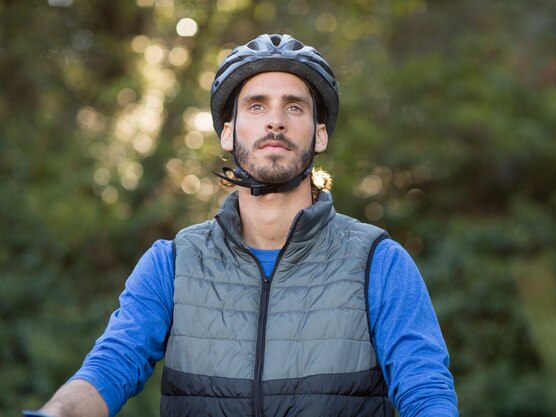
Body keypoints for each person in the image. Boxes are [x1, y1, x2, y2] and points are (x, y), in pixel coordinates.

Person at [24, 34, 458, 417]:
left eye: (294, 106)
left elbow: (426, 391)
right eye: (257, 106)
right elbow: (110, 367)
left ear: (320, 135)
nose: (275, 120)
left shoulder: (378, 262)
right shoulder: (172, 263)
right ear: (228, 134)